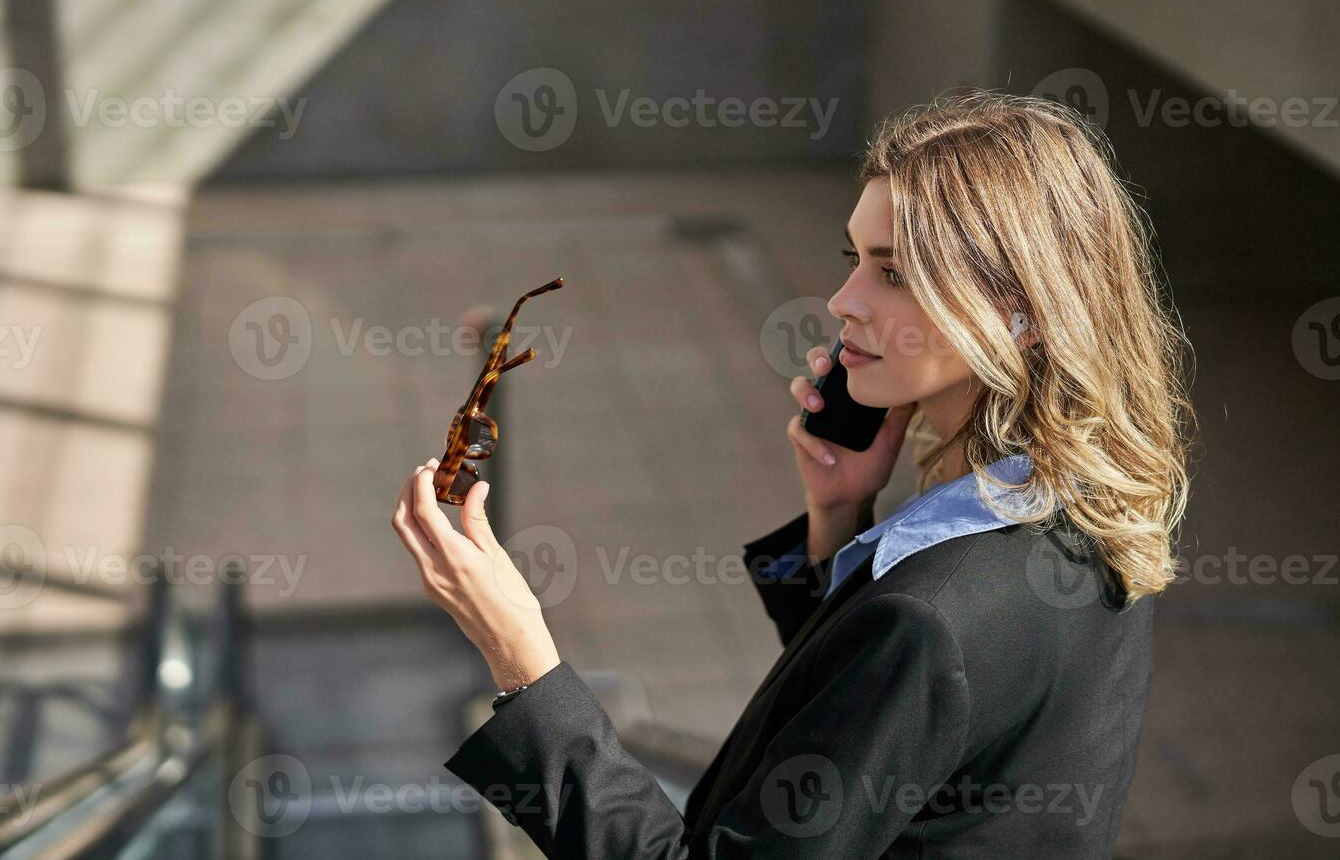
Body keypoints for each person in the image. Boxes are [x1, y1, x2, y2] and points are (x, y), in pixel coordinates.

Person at [389, 89, 1194, 858]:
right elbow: (861, 721)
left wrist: (523, 662)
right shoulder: (1098, 511)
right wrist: (838, 516)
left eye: (894, 272)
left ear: (1019, 312)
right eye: (855, 259)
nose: (844, 299)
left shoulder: (930, 620)